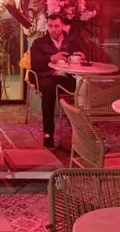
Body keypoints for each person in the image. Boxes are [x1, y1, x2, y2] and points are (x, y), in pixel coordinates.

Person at [29, 14, 84, 148]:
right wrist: (51, 58)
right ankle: (48, 134)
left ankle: (84, 135)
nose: (53, 29)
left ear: (63, 26)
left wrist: (81, 56)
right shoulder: (39, 43)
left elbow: (81, 55)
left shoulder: (71, 41)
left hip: (66, 78)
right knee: (48, 89)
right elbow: (35, 64)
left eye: (56, 26)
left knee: (84, 85)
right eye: (50, 26)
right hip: (46, 77)